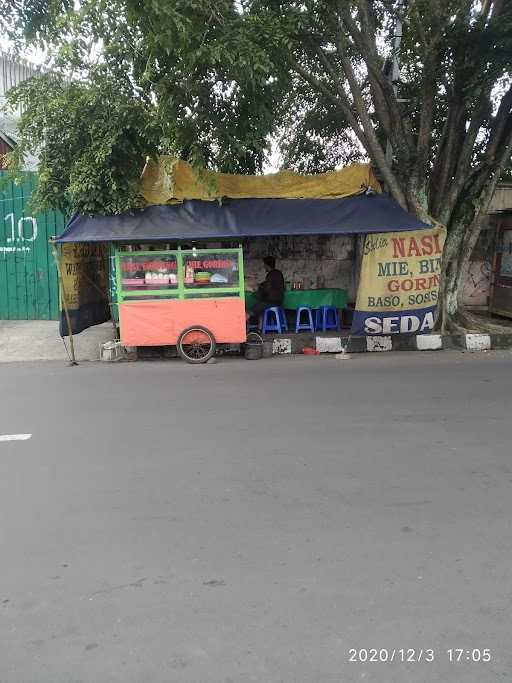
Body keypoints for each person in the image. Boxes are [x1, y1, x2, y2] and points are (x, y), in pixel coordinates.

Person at [247, 256, 285, 321]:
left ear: (266, 265)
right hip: (279, 301)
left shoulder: (270, 275)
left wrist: (258, 290)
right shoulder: (279, 273)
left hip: (272, 302)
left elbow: (267, 289)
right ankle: (260, 327)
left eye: (264, 265)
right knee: (259, 306)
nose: (264, 267)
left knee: (253, 309)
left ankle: (242, 326)